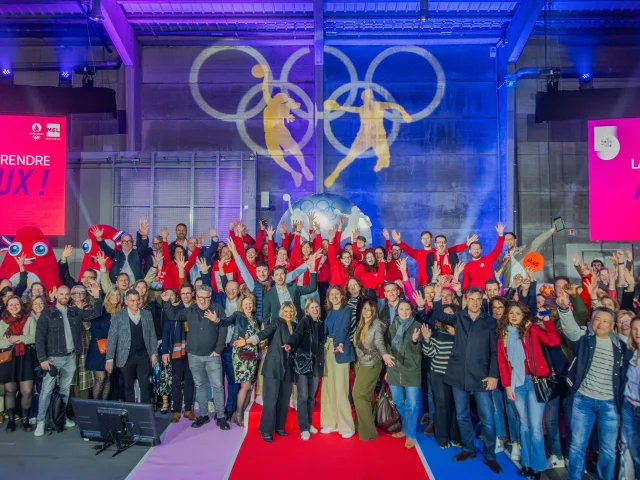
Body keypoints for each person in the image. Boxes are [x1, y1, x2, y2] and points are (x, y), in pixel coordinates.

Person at [557, 291, 630, 480]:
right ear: (592, 321)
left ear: (612, 325)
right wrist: (564, 309)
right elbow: (571, 329)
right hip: (583, 400)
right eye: (597, 319)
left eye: (606, 321)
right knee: (577, 445)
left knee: (608, 450)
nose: (600, 324)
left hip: (610, 404)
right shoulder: (585, 338)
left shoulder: (621, 347)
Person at [432, 283, 503, 474]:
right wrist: (438, 297)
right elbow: (438, 315)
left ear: (482, 301)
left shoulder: (490, 322)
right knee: (462, 415)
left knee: (487, 418)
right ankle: (468, 449)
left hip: (482, 377)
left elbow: (494, 351)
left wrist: (493, 375)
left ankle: (490, 457)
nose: (474, 303)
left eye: (478, 299)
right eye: (471, 299)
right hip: (458, 375)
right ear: (465, 300)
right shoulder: (458, 317)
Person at [497, 302, 561, 479]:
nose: (514, 316)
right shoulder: (504, 335)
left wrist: (546, 320)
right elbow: (502, 363)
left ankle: (538, 465)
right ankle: (526, 463)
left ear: (524, 315)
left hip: (534, 382)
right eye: (511, 314)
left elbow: (554, 340)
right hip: (516, 383)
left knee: (535, 427)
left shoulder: (532, 330)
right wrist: (507, 386)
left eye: (518, 313)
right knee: (524, 425)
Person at [34, 284, 103, 437]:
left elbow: (95, 314)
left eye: (67, 294)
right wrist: (43, 359)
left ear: (70, 296)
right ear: (56, 295)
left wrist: (98, 297)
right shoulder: (47, 314)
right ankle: (41, 421)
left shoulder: (75, 312)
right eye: (62, 294)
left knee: (65, 390)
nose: (64, 297)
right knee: (46, 391)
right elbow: (39, 339)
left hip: (71, 357)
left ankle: (61, 417)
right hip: (52, 358)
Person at [161, 286, 230, 430]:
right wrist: (166, 302)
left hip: (213, 356)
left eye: (206, 298)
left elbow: (224, 328)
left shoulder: (217, 308)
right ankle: (203, 415)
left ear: (210, 297)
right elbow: (173, 315)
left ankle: (221, 417)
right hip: (194, 356)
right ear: (195, 297)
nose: (203, 301)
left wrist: (218, 350)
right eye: (200, 298)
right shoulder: (190, 310)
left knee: (217, 386)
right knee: (200, 386)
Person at [234, 301, 298, 442]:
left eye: (290, 311)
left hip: (288, 369)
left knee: (283, 400)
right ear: (282, 312)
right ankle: (266, 430)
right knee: (271, 400)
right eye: (286, 311)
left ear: (294, 312)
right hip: (273, 368)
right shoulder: (277, 322)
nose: (288, 314)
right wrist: (247, 341)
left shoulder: (295, 326)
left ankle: (279, 427)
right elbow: (263, 333)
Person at [323, 89, 412, 187]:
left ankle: (381, 162)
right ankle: (334, 174)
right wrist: (338, 107)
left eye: (370, 96)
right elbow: (348, 108)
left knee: (386, 160)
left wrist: (404, 113)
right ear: (363, 98)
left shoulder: (380, 105)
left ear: (372, 97)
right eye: (366, 96)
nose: (368, 98)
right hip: (363, 138)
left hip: (379, 138)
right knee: (349, 158)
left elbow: (396, 106)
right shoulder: (361, 108)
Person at [283, 298, 326, 440]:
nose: (315, 310)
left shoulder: (321, 324)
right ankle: (303, 428)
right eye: (312, 307)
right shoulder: (304, 321)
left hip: (315, 365)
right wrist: (290, 344)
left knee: (311, 397)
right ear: (307, 310)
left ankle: (309, 423)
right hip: (302, 364)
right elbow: (296, 335)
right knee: (302, 396)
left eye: (317, 307)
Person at [352, 299, 395, 441]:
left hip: (371, 365)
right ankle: (360, 426)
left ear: (375, 311)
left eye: (370, 309)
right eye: (365, 308)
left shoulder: (377, 324)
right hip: (360, 364)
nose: (367, 311)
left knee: (357, 394)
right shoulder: (361, 323)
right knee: (367, 396)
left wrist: (384, 354)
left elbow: (378, 342)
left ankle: (369, 432)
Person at [105, 290, 157, 404]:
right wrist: (109, 359)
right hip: (126, 356)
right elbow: (112, 338)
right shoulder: (118, 316)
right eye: (132, 300)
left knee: (145, 385)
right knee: (128, 386)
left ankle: (145, 413)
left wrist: (154, 353)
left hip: (143, 355)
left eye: (137, 300)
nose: (135, 303)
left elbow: (152, 335)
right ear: (126, 302)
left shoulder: (147, 314)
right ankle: (132, 413)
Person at [218, 292, 260, 427]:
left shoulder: (254, 319)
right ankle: (238, 413)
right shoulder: (238, 315)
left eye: (250, 303)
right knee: (245, 386)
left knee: (248, 386)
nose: (248, 305)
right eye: (245, 303)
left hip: (252, 356)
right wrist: (217, 320)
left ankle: (241, 412)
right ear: (241, 305)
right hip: (241, 356)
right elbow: (226, 320)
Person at [385, 299, 422, 449]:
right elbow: (388, 349)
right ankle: (406, 428)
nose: (404, 312)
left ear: (411, 310)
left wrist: (414, 341)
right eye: (401, 309)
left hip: (411, 371)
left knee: (412, 404)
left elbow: (419, 351)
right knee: (399, 402)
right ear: (397, 311)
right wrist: (387, 370)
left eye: (407, 309)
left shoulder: (417, 326)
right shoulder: (392, 327)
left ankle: (411, 434)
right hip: (394, 371)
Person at [320, 285, 355, 438]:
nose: (334, 297)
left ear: (342, 296)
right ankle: (330, 422)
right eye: (331, 294)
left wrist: (339, 343)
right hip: (328, 350)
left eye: (337, 294)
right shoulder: (329, 313)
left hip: (340, 350)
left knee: (341, 388)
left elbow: (344, 329)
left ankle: (346, 426)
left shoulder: (347, 310)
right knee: (328, 387)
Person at [0, 296, 36, 432]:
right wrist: (9, 341)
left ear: (21, 305)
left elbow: (33, 338)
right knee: (10, 390)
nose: (14, 307)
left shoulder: (30, 320)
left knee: (27, 390)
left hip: (25, 358)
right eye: (11, 305)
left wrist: (19, 338)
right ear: (7, 307)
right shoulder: (2, 323)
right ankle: (11, 420)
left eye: (16, 304)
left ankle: (25, 420)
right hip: (8, 359)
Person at [161, 285, 196, 423]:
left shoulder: (196, 309)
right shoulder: (173, 310)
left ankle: (188, 409)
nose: (186, 296)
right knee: (175, 381)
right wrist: (164, 351)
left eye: (188, 293)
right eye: (183, 293)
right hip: (177, 350)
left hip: (193, 350)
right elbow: (166, 332)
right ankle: (176, 410)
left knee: (189, 381)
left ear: (192, 293)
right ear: (180, 295)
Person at [86, 289, 120, 401]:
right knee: (101, 378)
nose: (115, 297)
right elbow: (95, 331)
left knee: (108, 378)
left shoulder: (122, 311)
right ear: (108, 297)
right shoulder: (101, 310)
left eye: (118, 295)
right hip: (99, 349)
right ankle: (95, 405)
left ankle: (104, 405)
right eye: (113, 294)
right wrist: (112, 330)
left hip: (114, 349)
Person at [92, 220, 150, 284]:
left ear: (132, 242)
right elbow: (105, 248)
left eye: (129, 241)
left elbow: (144, 247)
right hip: (117, 288)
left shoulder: (137, 253)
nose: (126, 243)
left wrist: (144, 236)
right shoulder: (116, 254)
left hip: (135, 288)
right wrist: (99, 238)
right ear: (121, 243)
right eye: (124, 241)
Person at [462, 222, 505, 291]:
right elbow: (465, 284)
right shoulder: (467, 266)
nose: (476, 250)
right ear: (470, 251)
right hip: (475, 295)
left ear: (481, 250)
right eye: (473, 249)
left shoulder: (488, 259)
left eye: (478, 249)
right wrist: (465, 295)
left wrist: (500, 234)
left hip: (489, 293)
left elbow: (498, 249)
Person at [622, 316, 640, 479]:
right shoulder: (631, 353)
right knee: (631, 453)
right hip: (628, 407)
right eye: (634, 329)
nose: (638, 332)